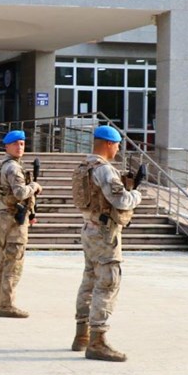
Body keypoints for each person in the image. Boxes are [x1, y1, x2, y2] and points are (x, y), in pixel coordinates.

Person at [71, 125, 142, 361]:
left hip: (89, 228)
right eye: (118, 144)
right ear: (109, 144)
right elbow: (120, 201)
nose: (119, 148)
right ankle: (98, 341)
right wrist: (137, 196)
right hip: (104, 233)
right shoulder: (105, 170)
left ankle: (82, 334)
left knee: (89, 281)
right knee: (108, 282)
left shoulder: (84, 166)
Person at [0, 130, 43, 318]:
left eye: (22, 143)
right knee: (14, 262)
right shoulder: (13, 168)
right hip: (12, 218)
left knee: (2, 260)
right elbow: (20, 193)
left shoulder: (2, 165)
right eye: (16, 144)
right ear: (7, 146)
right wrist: (34, 186)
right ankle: (7, 305)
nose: (20, 147)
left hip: (4, 214)